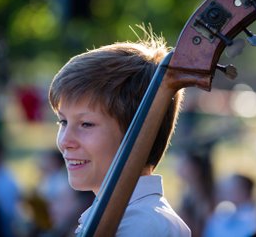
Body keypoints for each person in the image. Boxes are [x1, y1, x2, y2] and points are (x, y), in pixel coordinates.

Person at [48, 26, 191, 236]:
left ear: (139, 132)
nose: (65, 141)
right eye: (63, 122)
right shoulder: (118, 220)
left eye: (86, 124)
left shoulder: (144, 227)